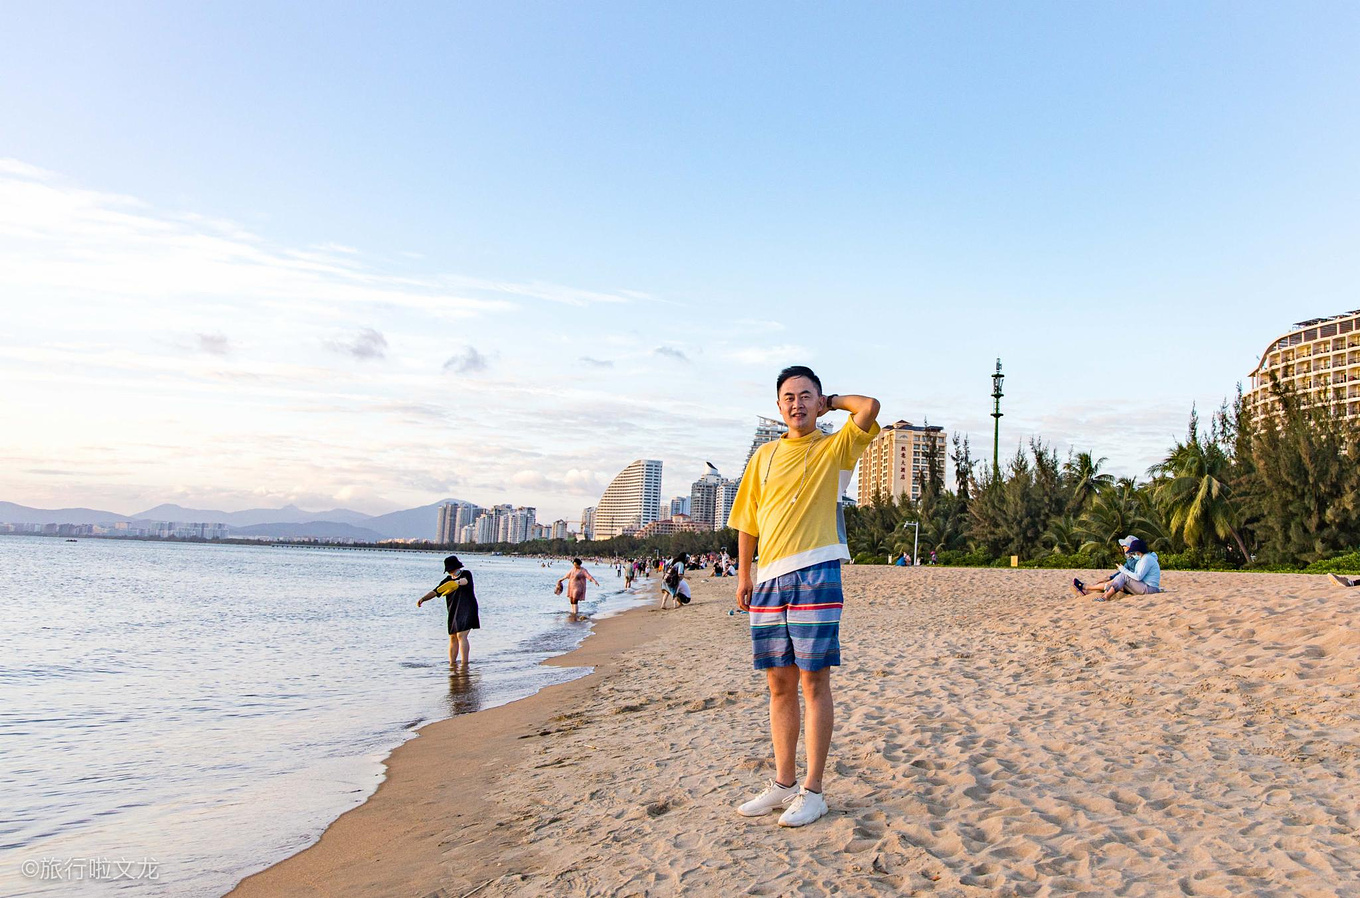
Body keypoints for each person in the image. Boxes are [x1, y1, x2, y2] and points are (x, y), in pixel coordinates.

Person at [730, 365, 880, 828]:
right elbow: (748, 520)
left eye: (806, 395)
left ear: (818, 402)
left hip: (817, 572)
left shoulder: (835, 447)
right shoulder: (764, 457)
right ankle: (783, 784)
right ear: (778, 407)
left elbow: (870, 407)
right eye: (788, 397)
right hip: (769, 579)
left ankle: (814, 790)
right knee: (778, 685)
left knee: (813, 682)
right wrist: (743, 574)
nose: (796, 403)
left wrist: (831, 401)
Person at [416, 555, 480, 666]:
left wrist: (456, 583)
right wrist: (423, 599)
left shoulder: (466, 574)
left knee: (461, 635)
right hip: (453, 610)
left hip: (467, 608)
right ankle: (452, 664)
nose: (451, 572)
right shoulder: (446, 581)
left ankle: (465, 664)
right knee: (453, 637)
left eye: (451, 570)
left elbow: (465, 581)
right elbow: (436, 591)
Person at [1073, 536, 1161, 601]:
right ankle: (1095, 593)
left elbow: (1138, 577)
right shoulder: (1142, 559)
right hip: (1145, 586)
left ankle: (1104, 597)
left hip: (1150, 589)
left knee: (1123, 576)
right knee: (1119, 580)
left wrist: (1123, 570)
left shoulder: (1146, 559)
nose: (1132, 555)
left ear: (1138, 551)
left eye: (1133, 553)